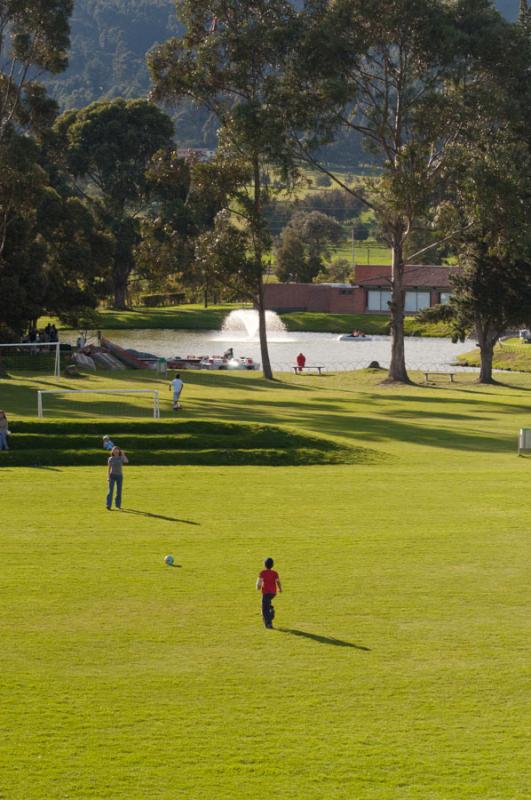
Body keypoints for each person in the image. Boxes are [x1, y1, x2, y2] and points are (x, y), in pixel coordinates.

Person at [256, 557, 282, 629]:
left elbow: (259, 583)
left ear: (264, 565)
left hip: (266, 593)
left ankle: (269, 623)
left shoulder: (262, 573)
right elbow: (278, 581)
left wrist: (258, 587)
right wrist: (280, 589)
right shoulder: (275, 573)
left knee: (264, 609)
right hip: (273, 593)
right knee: (267, 604)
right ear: (272, 565)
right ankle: (270, 608)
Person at [106, 446, 128, 510]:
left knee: (119, 491)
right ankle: (108, 505)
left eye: (117, 450)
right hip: (112, 475)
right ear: (112, 451)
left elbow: (126, 461)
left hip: (119, 476)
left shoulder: (121, 458)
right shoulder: (110, 458)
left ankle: (118, 505)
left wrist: (123, 454)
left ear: (119, 451)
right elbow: (109, 468)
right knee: (110, 491)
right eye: (114, 450)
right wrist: (108, 477)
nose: (115, 451)